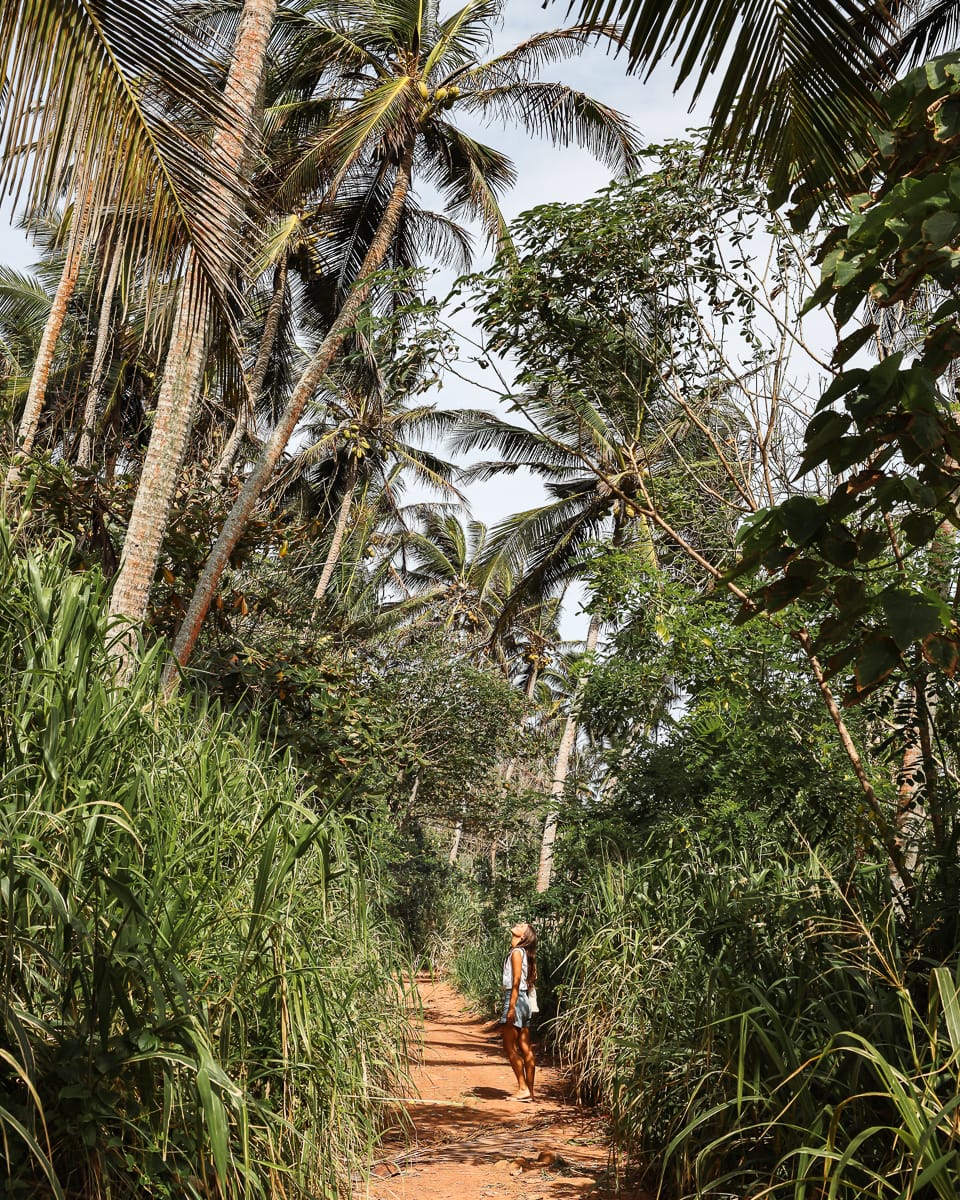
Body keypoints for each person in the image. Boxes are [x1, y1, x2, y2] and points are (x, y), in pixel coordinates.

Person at [499, 921, 537, 1101]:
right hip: (525, 1000)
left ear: (523, 937)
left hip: (515, 998)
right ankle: (530, 1091)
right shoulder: (525, 954)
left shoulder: (516, 952)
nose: (518, 924)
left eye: (522, 926)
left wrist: (511, 1007)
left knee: (509, 1046)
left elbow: (516, 981)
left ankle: (523, 1088)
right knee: (525, 1046)